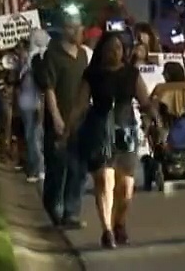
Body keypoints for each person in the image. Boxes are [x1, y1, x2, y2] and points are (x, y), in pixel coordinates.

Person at [66, 31, 155, 249]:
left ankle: (119, 223)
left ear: (124, 51)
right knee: (104, 180)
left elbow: (144, 101)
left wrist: (155, 119)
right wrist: (68, 128)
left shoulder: (131, 74)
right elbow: (80, 105)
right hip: (99, 131)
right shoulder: (92, 75)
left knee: (126, 186)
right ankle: (107, 230)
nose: (114, 52)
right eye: (110, 48)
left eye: (118, 48)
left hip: (126, 132)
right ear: (102, 51)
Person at [39, 13, 88, 228]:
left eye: (79, 27)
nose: (77, 31)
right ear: (64, 30)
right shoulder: (53, 55)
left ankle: (71, 212)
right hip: (59, 120)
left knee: (78, 169)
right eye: (72, 27)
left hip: (80, 121)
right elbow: (49, 89)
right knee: (57, 168)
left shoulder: (83, 55)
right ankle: (54, 209)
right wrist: (56, 117)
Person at [18, 33, 48, 183]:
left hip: (32, 103)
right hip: (33, 103)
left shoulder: (35, 59)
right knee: (35, 137)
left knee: (33, 137)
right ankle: (37, 167)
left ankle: (37, 168)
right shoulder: (35, 58)